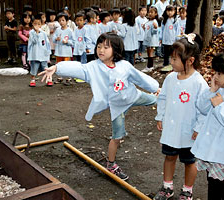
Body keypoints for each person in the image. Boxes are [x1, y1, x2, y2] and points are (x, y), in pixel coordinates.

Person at [39, 32, 159, 180]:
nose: (101, 50)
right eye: (99, 46)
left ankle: (166, 107)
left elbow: (140, 78)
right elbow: (78, 68)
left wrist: (155, 88)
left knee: (156, 100)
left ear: (115, 50)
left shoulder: (125, 66)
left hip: (133, 96)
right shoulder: (93, 67)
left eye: (106, 47)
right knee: (117, 137)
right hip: (117, 107)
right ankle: (111, 164)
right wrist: (57, 68)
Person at [154, 33, 209, 200]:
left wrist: (198, 128)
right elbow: (163, 97)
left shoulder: (199, 82)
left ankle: (187, 190)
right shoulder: (170, 78)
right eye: (171, 58)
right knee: (169, 156)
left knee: (189, 161)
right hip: (172, 128)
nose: (171, 62)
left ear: (190, 60)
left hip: (188, 131)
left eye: (175, 59)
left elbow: (204, 109)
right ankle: (167, 186)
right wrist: (160, 116)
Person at [191, 49, 224, 200]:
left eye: (220, 73)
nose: (215, 76)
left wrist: (220, 106)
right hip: (212, 151)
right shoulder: (222, 90)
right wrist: (211, 91)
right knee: (212, 185)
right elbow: (202, 107)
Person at [27, 15, 51, 87]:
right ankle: (33, 79)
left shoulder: (43, 33)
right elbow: (34, 41)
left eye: (38, 24)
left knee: (45, 67)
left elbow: (47, 43)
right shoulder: (31, 33)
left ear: (41, 24)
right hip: (35, 54)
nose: (37, 25)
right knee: (34, 67)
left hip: (43, 53)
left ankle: (49, 79)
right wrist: (36, 32)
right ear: (32, 24)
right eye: (35, 24)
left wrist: (48, 52)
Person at [53, 12, 73, 85]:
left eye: (63, 20)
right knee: (59, 64)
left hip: (67, 51)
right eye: (60, 21)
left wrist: (67, 41)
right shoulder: (58, 30)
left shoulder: (70, 31)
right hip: (59, 51)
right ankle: (60, 77)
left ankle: (68, 77)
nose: (61, 22)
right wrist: (56, 39)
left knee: (67, 64)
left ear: (67, 21)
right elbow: (53, 39)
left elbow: (73, 42)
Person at [142, 6, 160, 73]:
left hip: (151, 40)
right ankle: (148, 66)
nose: (150, 14)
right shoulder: (148, 21)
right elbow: (147, 30)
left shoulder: (154, 22)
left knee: (150, 53)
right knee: (148, 53)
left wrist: (155, 28)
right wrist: (144, 28)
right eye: (149, 12)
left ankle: (150, 66)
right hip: (147, 39)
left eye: (152, 12)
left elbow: (154, 32)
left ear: (155, 14)